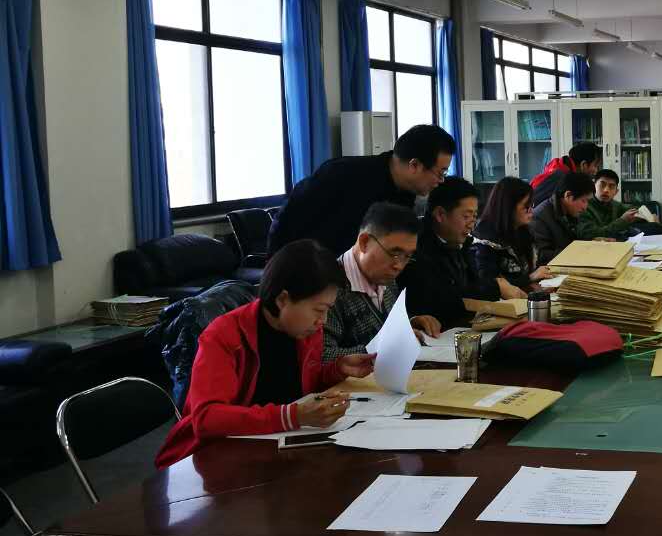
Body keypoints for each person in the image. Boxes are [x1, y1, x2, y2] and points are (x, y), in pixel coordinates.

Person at [155, 240, 374, 468]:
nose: (323, 321)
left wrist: (337, 369)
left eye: (328, 310)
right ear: (282, 300)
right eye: (319, 310)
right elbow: (207, 419)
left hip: (277, 447)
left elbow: (299, 386)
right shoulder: (223, 336)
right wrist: (292, 416)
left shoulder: (305, 331)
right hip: (216, 458)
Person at [267, 124, 456, 256]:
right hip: (311, 271)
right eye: (440, 173)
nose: (441, 181)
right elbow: (288, 217)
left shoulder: (405, 195)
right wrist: (277, 268)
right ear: (414, 165)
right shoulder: (343, 174)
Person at [322, 202, 443, 363]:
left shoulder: (383, 276)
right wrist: (379, 349)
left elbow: (383, 327)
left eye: (407, 256)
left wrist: (410, 323)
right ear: (364, 242)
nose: (399, 266)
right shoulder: (328, 286)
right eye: (394, 253)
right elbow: (322, 357)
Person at [402, 177, 524, 329]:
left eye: (474, 216)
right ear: (440, 214)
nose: (471, 225)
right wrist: (495, 287)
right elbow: (444, 300)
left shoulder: (459, 243)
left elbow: (472, 285)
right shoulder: (416, 248)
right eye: (466, 216)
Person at [470, 177, 552, 292]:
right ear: (508, 207)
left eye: (531, 205)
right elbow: (489, 284)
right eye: (526, 206)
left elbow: (537, 264)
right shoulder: (484, 241)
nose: (531, 210)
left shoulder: (524, 231)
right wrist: (530, 279)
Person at [530, 171, 593, 263]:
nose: (585, 207)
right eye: (583, 201)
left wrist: (592, 242)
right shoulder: (540, 218)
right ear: (568, 195)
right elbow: (542, 255)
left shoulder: (571, 212)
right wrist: (576, 253)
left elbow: (576, 239)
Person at [530, 142, 602, 206]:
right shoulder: (560, 177)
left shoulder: (561, 167)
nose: (596, 171)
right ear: (584, 165)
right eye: (595, 166)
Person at [577, 169, 639, 240]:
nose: (606, 190)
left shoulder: (615, 205)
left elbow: (633, 208)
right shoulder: (584, 206)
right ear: (593, 186)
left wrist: (643, 214)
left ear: (616, 192)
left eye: (611, 186)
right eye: (602, 185)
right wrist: (622, 221)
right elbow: (590, 234)